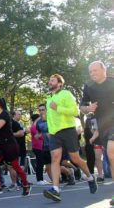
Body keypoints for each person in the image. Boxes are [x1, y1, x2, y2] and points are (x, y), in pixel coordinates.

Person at [42, 74, 97, 202]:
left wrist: (58, 108)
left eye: (52, 80)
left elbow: (74, 111)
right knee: (55, 158)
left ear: (60, 83)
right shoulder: (49, 98)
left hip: (68, 130)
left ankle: (89, 177)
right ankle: (55, 189)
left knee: (75, 158)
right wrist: (50, 131)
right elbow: (50, 117)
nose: (50, 82)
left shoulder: (66, 94)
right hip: (54, 134)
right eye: (49, 80)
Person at [80, 61, 114, 203]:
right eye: (91, 72)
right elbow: (81, 106)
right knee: (112, 158)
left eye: (95, 70)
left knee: (112, 152)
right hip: (103, 126)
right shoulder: (89, 87)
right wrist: (89, 108)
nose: (93, 73)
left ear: (103, 69)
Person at [0, 98, 31, 196]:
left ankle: (25, 185)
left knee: (15, 166)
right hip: (0, 145)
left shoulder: (5, 114)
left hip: (9, 144)